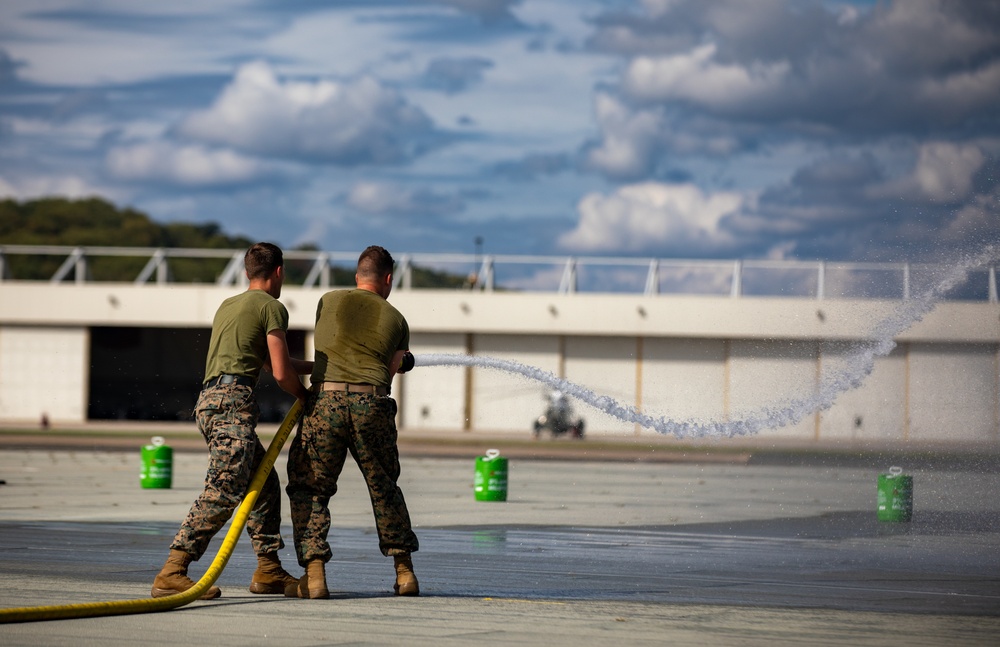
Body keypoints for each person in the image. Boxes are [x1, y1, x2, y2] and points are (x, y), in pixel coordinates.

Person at [151, 242, 313, 599]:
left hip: (211, 401)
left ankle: (268, 570)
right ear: (279, 272)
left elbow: (272, 363)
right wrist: (306, 395)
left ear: (246, 272)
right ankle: (172, 570)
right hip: (231, 404)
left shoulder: (229, 305)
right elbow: (283, 373)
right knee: (225, 487)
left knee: (264, 484)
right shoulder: (273, 307)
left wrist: (319, 369)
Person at [285, 245, 419, 599]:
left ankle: (315, 576)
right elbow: (390, 371)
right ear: (388, 279)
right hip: (371, 402)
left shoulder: (327, 301)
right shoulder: (397, 319)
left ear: (358, 275)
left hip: (325, 400)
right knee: (384, 486)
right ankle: (404, 573)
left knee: (310, 487)